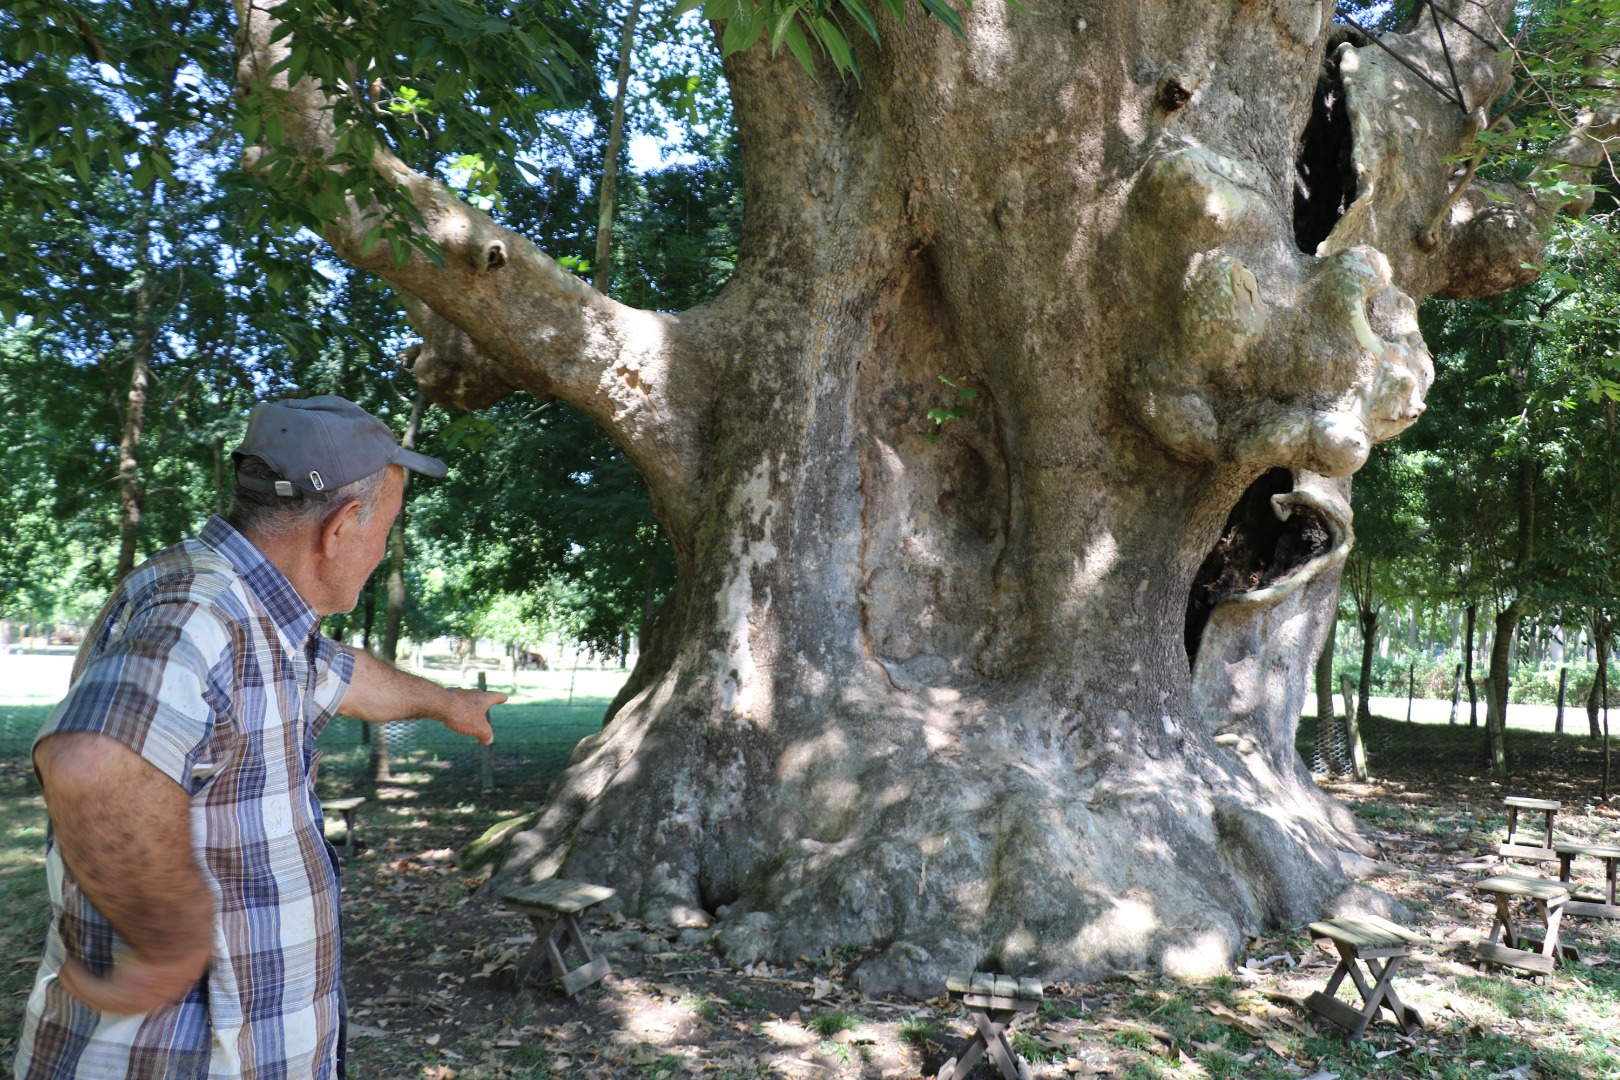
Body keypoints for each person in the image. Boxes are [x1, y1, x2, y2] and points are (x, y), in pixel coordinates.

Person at [14, 396, 505, 1080]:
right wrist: (170, 943)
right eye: (386, 529)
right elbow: (93, 761)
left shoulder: (258, 614)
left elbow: (340, 674)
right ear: (340, 527)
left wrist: (448, 703)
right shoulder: (203, 612)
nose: (383, 550)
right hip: (179, 1057)